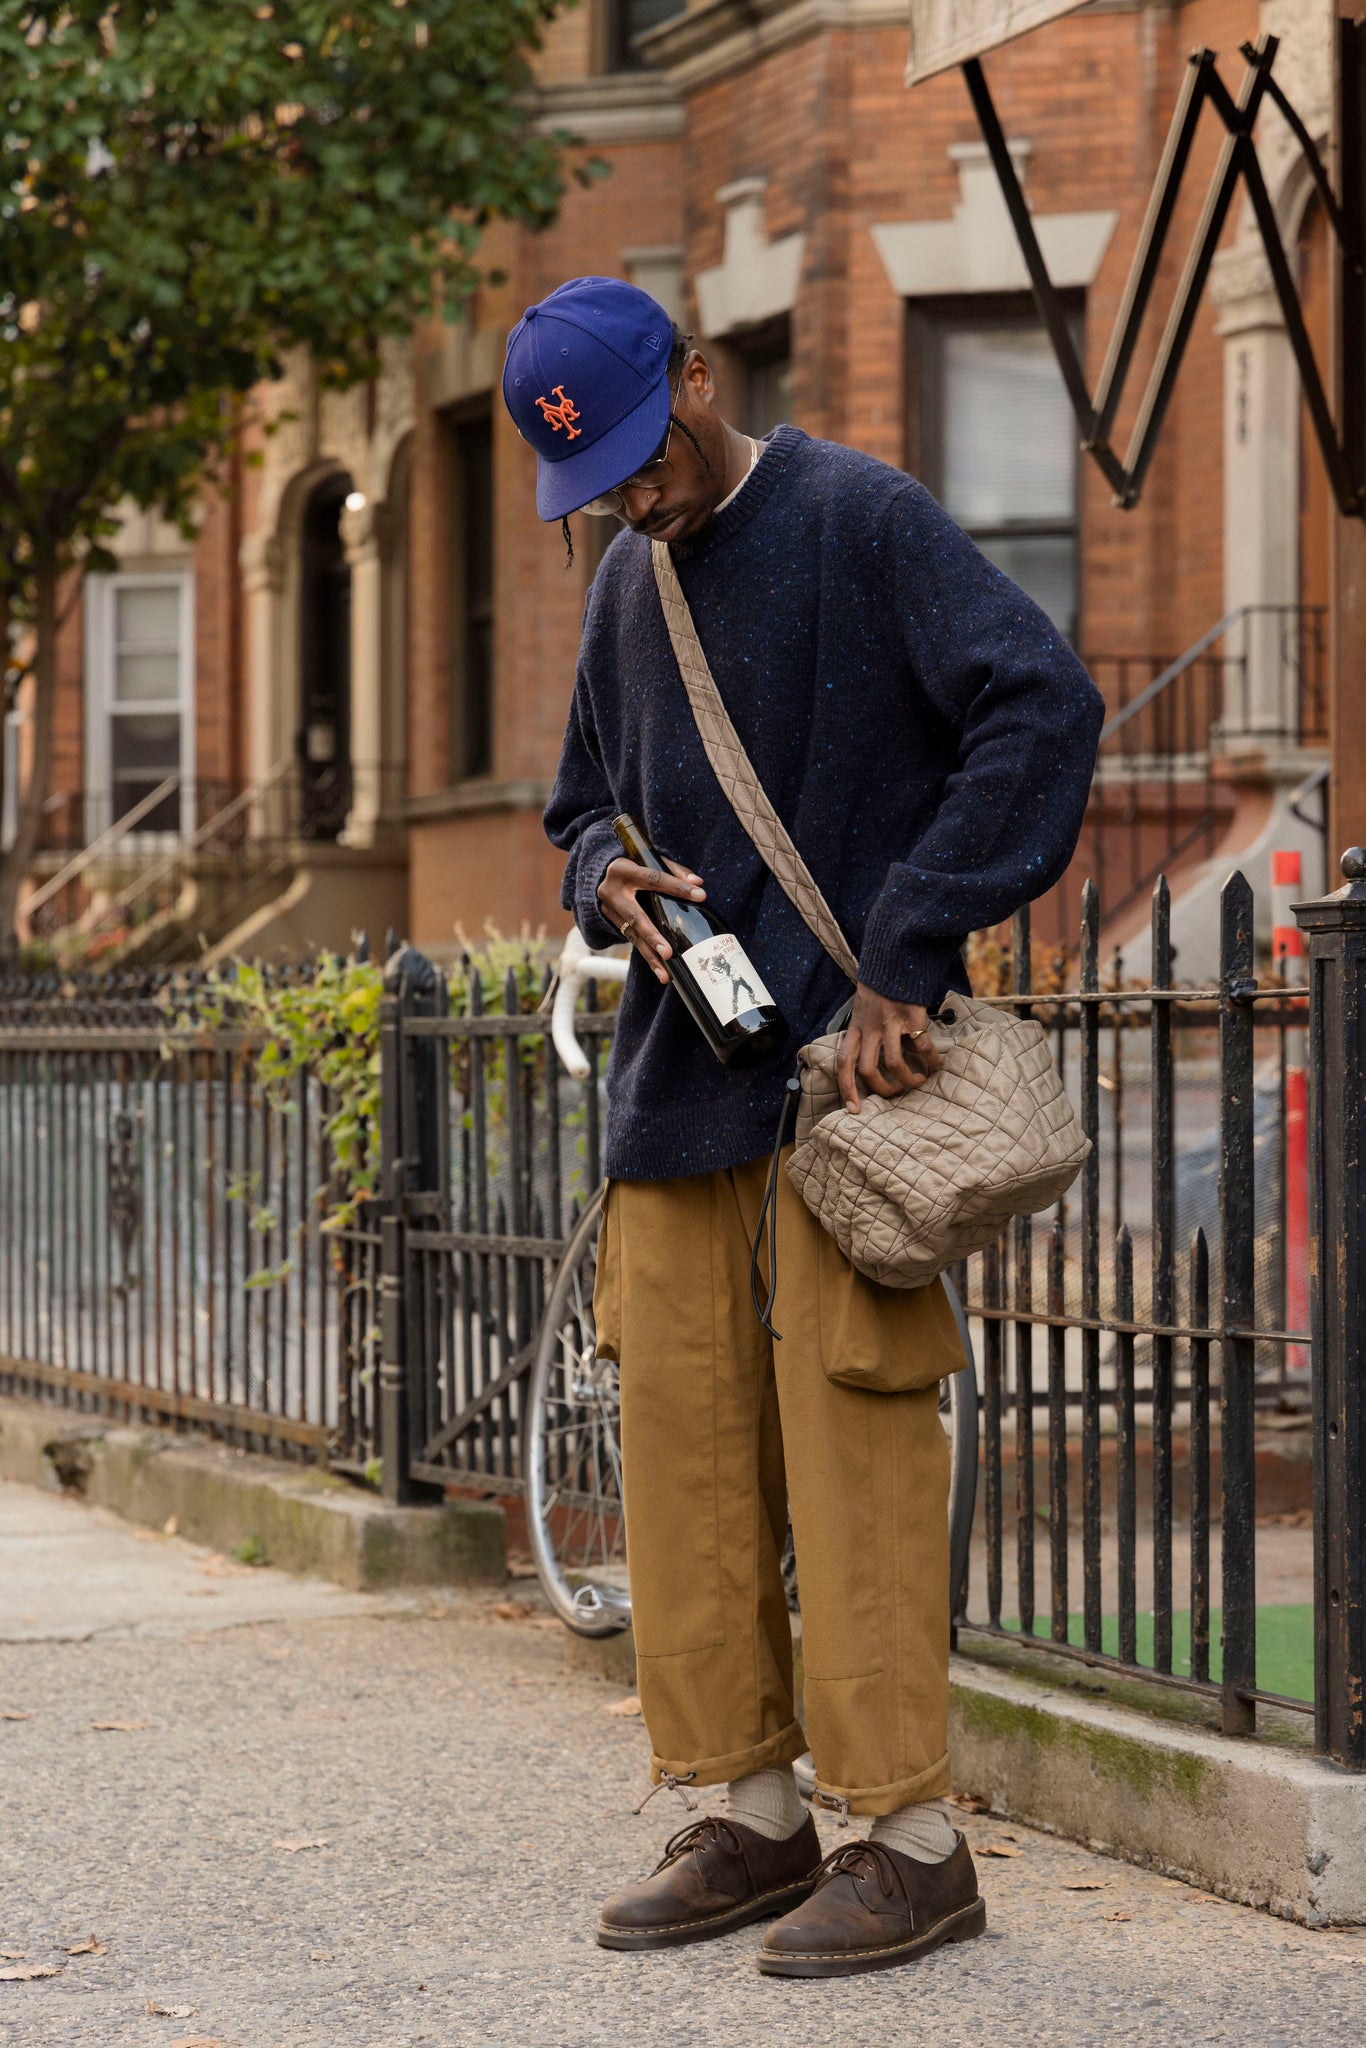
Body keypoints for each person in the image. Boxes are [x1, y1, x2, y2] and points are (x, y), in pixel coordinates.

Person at [503, 276, 1104, 1978]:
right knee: (683, 1478)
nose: (629, 494)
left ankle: (911, 1843)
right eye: (595, 479)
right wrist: (597, 874)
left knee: (854, 1473)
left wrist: (913, 940)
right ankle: (752, 1814)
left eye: (640, 450)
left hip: (846, 1097)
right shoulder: (630, 579)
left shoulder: (856, 518)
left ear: (699, 375)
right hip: (670, 1098)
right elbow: (577, 801)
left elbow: (1038, 707)